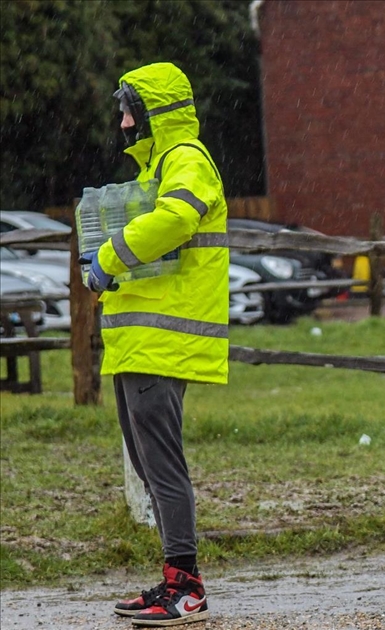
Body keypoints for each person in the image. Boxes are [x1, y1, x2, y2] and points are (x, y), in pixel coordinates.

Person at [85, 62, 229, 627]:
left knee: (163, 468)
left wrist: (107, 257)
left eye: (130, 110)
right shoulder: (162, 166)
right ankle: (174, 580)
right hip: (141, 341)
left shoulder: (185, 159)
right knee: (151, 466)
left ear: (155, 114)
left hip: (162, 344)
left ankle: (186, 588)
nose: (123, 123)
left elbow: (178, 218)